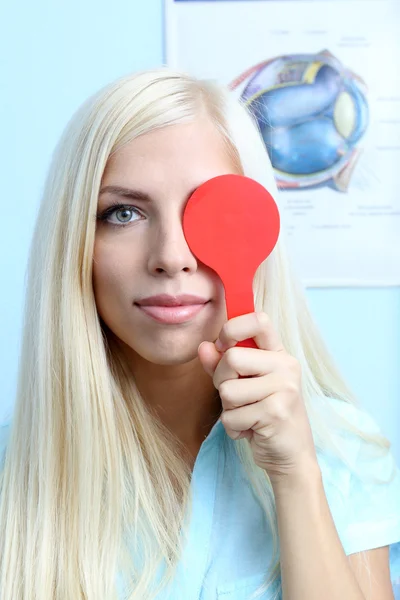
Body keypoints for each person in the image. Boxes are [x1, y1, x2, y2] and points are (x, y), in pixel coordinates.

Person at [0, 68, 399, 600]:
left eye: (203, 210)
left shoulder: (340, 450)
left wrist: (297, 474)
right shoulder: (14, 468)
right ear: (77, 242)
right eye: (123, 213)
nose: (170, 256)